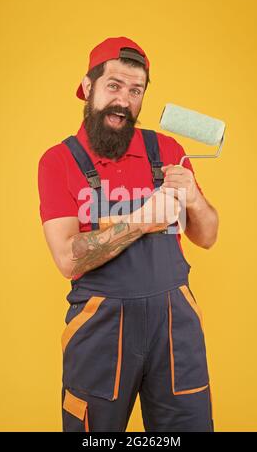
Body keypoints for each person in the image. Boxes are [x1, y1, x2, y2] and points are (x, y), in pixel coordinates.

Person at [37, 36, 219, 432]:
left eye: (135, 91)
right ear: (88, 88)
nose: (124, 101)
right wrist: (140, 220)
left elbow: (207, 236)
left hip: (175, 327)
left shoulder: (167, 150)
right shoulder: (59, 162)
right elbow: (68, 259)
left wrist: (193, 199)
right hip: (99, 328)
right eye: (114, 86)